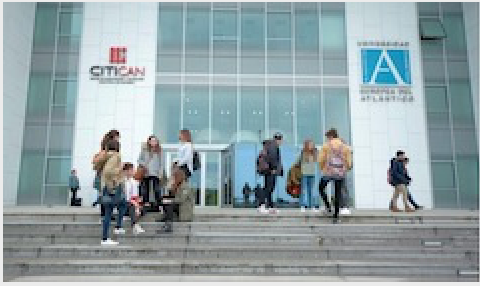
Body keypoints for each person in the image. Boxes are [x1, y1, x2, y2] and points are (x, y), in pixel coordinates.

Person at [161, 129, 194, 233]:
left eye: (180, 134)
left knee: (170, 199)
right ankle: (167, 219)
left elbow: (187, 158)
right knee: (168, 198)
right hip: (181, 168)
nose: (178, 136)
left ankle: (168, 222)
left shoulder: (188, 145)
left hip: (183, 168)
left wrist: (178, 163)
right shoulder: (183, 145)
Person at [96, 139, 127, 246]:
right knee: (111, 211)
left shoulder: (106, 156)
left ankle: (115, 229)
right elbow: (109, 171)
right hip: (111, 187)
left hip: (106, 186)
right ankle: (106, 237)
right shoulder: (115, 156)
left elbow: (103, 171)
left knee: (121, 204)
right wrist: (119, 170)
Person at [318, 128, 352, 223]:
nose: (327, 139)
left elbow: (321, 159)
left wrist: (323, 168)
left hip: (328, 172)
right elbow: (349, 161)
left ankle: (328, 206)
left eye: (328, 137)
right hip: (340, 172)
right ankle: (336, 216)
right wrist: (346, 168)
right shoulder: (345, 146)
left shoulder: (326, 146)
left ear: (331, 136)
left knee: (321, 188)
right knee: (338, 193)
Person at [92, 130, 121, 222]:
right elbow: (98, 164)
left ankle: (106, 214)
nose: (118, 139)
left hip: (103, 174)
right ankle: (106, 215)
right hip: (105, 175)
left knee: (105, 194)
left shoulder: (105, 151)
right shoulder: (108, 152)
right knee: (106, 194)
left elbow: (96, 164)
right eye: (117, 137)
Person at [258, 132, 284, 215]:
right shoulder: (273, 146)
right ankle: (261, 205)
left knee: (269, 189)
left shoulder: (269, 145)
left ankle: (270, 207)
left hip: (267, 170)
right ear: (278, 139)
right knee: (268, 188)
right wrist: (274, 169)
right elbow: (273, 159)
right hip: (270, 170)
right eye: (280, 140)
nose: (281, 142)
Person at [138, 135, 164, 211]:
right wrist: (144, 165)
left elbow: (162, 163)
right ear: (149, 141)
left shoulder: (160, 150)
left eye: (155, 141)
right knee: (145, 189)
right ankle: (145, 205)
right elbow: (139, 160)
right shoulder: (144, 150)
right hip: (146, 172)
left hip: (155, 173)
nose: (153, 142)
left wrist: (160, 173)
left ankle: (158, 205)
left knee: (157, 189)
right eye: (152, 141)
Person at [122, 163, 145, 235]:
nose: (133, 171)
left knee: (139, 208)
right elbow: (125, 197)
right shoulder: (122, 181)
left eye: (133, 170)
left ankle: (134, 223)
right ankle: (135, 225)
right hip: (122, 203)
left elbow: (135, 196)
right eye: (131, 170)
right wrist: (135, 204)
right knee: (132, 206)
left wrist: (137, 206)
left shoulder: (135, 182)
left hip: (131, 203)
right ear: (125, 171)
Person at [298, 140, 319, 213]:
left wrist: (315, 152)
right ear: (307, 145)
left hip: (312, 173)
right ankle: (302, 205)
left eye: (312, 145)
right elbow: (302, 161)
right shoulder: (303, 152)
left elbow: (316, 160)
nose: (312, 146)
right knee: (303, 190)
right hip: (304, 173)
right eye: (310, 144)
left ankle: (312, 206)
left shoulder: (315, 153)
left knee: (311, 190)